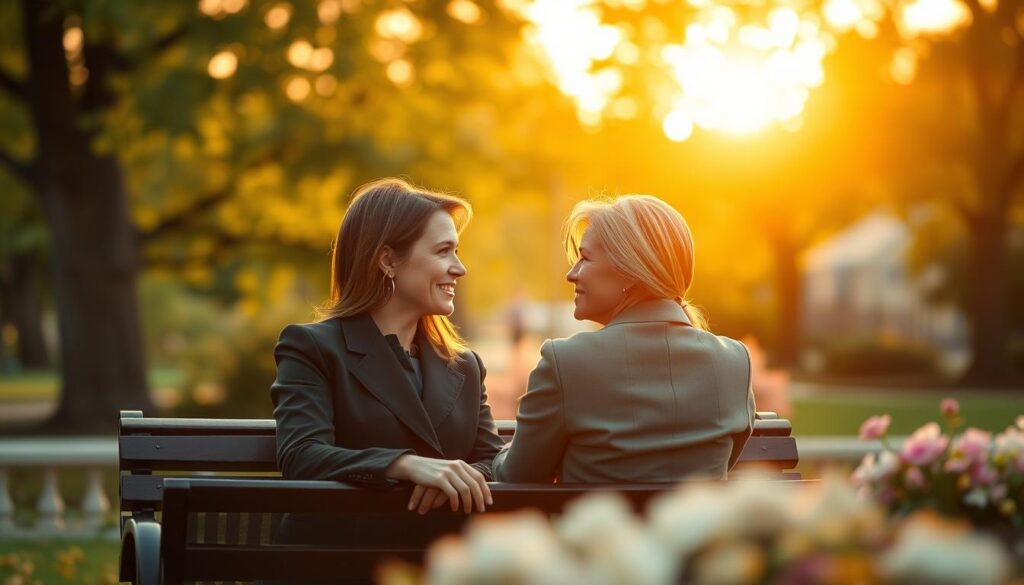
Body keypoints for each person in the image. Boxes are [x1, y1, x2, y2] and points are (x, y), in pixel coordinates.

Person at [270, 178, 504, 561]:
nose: (460, 268)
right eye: (444, 251)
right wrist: (406, 465)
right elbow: (302, 455)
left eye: (457, 251)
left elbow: (490, 461)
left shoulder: (465, 365)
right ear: (388, 260)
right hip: (337, 568)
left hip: (435, 566)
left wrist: (450, 476)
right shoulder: (312, 347)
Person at [492, 194, 755, 483]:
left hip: (599, 529)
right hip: (699, 529)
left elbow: (516, 476)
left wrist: (505, 451)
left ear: (629, 272)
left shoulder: (566, 362)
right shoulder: (735, 361)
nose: (571, 273)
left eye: (585, 258)